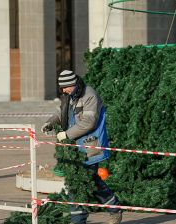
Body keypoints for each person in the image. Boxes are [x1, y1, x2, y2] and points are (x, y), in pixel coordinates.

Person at [41, 70, 122, 224]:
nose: (63, 91)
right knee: (93, 181)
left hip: (90, 147)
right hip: (76, 149)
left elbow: (88, 122)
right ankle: (115, 208)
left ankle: (78, 220)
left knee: (77, 183)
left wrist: (66, 134)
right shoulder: (71, 96)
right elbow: (61, 111)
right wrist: (50, 122)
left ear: (73, 84)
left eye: (65, 87)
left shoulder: (89, 95)